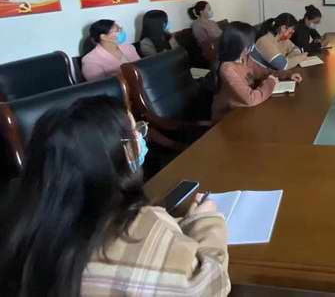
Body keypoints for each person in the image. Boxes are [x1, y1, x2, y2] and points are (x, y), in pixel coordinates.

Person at [0, 96, 230, 296]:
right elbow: (210, 285)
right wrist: (206, 221)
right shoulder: (140, 229)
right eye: (134, 134)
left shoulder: (18, 228)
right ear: (110, 155)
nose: (140, 140)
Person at [212, 22, 303, 120]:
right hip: (229, 118)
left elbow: (265, 72)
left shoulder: (245, 58)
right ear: (238, 46)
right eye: (250, 44)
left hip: (246, 111)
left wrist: (287, 75)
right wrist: (271, 82)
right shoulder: (227, 69)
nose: (253, 46)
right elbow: (250, 99)